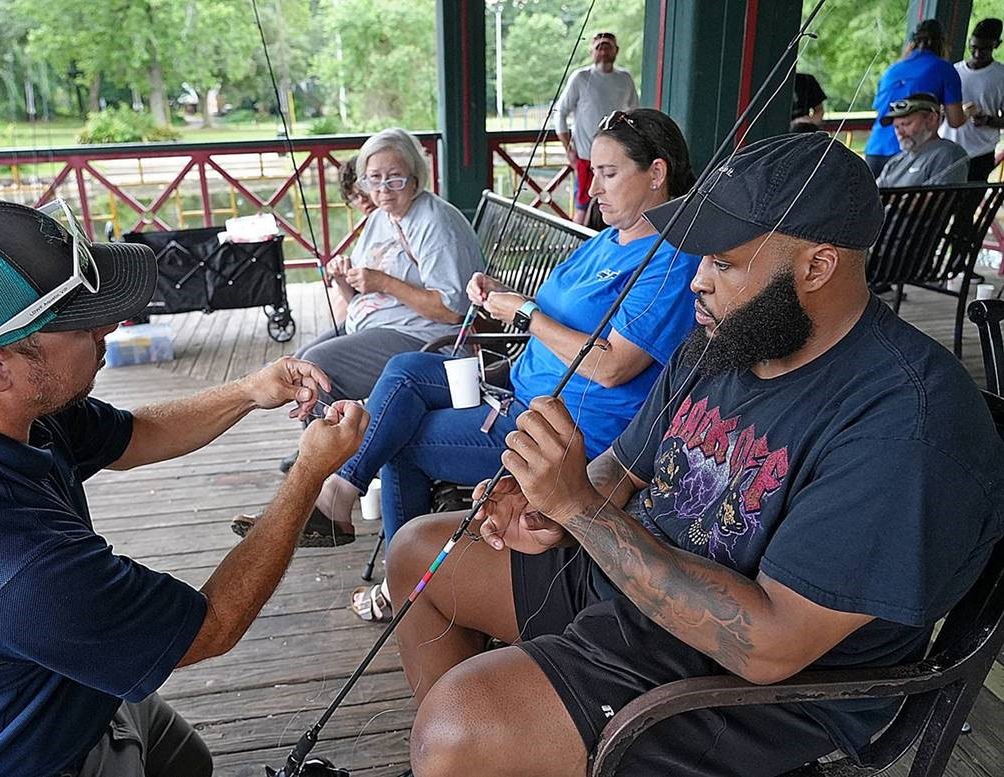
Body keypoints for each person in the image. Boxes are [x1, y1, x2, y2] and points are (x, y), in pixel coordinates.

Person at [389, 132, 1004, 777]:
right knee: (418, 553)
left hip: (753, 683)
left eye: (724, 263)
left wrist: (580, 510)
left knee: (458, 729)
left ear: (817, 267)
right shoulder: (727, 341)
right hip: (637, 583)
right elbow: (623, 468)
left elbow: (769, 647)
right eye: (700, 256)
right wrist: (547, 506)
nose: (697, 281)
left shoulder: (904, 424)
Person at [0, 197, 370, 777]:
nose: (110, 325)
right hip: (14, 757)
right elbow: (211, 627)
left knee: (189, 762)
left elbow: (132, 436)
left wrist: (250, 389)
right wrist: (309, 474)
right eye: (81, 322)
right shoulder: (10, 561)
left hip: (55, 683)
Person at [263, 109, 703, 621]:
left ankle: (400, 581)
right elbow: (558, 311)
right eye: (592, 171)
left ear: (656, 173)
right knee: (406, 370)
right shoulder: (610, 237)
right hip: (518, 389)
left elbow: (610, 367)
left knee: (399, 440)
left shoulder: (671, 260)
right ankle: (342, 495)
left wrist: (525, 312)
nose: (592, 188)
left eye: (607, 173)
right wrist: (501, 293)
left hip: (562, 432)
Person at [270, 128, 484, 489]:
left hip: (428, 338)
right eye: (374, 178)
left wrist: (384, 282)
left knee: (320, 366)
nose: (383, 188)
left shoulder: (434, 223)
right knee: (301, 360)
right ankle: (320, 451)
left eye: (395, 177)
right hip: (375, 324)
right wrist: (343, 278)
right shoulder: (380, 218)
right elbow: (362, 292)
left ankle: (325, 468)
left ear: (415, 177)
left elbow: (452, 309)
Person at [555, 32, 640, 225]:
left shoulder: (625, 78)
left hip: (617, 158)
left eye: (608, 46)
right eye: (599, 47)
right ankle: (579, 240)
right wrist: (569, 150)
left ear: (616, 50)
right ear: (591, 51)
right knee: (583, 207)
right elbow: (560, 112)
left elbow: (634, 113)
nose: (603, 51)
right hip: (586, 157)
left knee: (617, 205)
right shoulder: (581, 77)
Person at [865, 19, 966, 178]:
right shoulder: (944, 69)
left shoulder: (892, 70)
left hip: (875, 150)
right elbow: (956, 121)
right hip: (909, 151)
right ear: (942, 44)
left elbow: (880, 109)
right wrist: (968, 113)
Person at [940, 18, 1004, 181]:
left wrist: (988, 120)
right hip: (947, 147)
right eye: (973, 47)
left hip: (980, 153)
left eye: (984, 49)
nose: (977, 54)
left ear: (997, 45)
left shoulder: (1001, 76)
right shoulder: (954, 71)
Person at [327, 156, 379, 326]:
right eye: (354, 197)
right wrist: (340, 274)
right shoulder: (372, 225)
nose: (362, 201)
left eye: (363, 192)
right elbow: (354, 298)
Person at [876, 92, 969, 186]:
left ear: (932, 119)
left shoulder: (948, 154)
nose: (900, 132)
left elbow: (942, 194)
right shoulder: (895, 162)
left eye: (906, 124)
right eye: (896, 127)